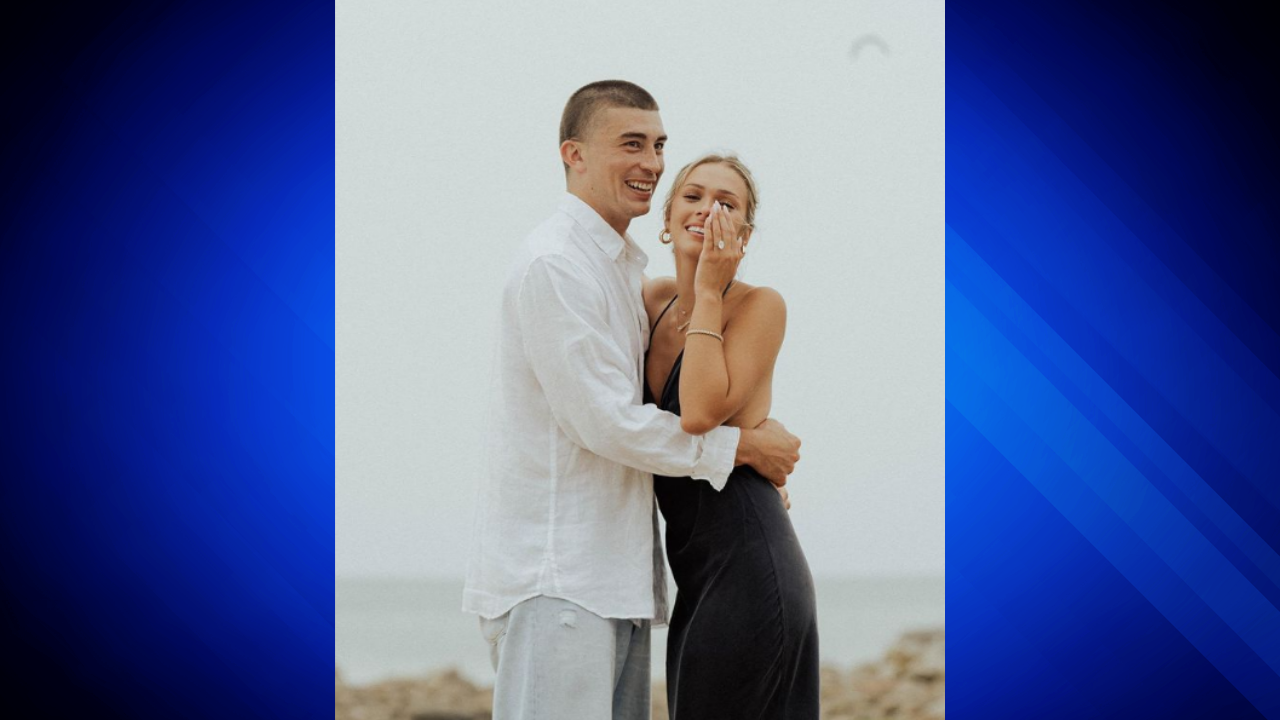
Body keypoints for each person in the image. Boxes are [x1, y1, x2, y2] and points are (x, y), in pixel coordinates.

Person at [462, 80, 803, 720]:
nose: (650, 162)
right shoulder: (557, 265)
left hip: (622, 578)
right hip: (557, 575)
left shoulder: (623, 275)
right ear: (574, 154)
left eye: (657, 146)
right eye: (630, 144)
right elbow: (607, 423)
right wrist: (741, 448)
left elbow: (703, 392)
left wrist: (752, 434)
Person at [643, 153, 819, 719]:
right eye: (692, 196)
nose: (707, 209)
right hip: (694, 572)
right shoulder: (647, 301)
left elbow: (696, 414)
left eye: (727, 203)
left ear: (744, 234)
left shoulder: (759, 306)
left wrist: (711, 291)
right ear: (667, 215)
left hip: (751, 562)